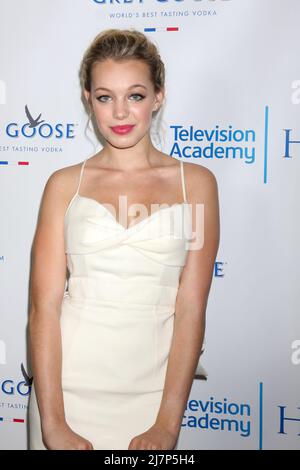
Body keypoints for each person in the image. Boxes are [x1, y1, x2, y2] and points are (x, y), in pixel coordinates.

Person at [27, 28, 220, 450]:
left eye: (134, 95)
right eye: (104, 97)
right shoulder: (63, 185)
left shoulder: (197, 185)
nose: (119, 113)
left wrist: (167, 423)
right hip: (65, 392)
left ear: (158, 96)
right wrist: (54, 423)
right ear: (87, 98)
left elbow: (191, 308)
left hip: (155, 396)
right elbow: (44, 308)